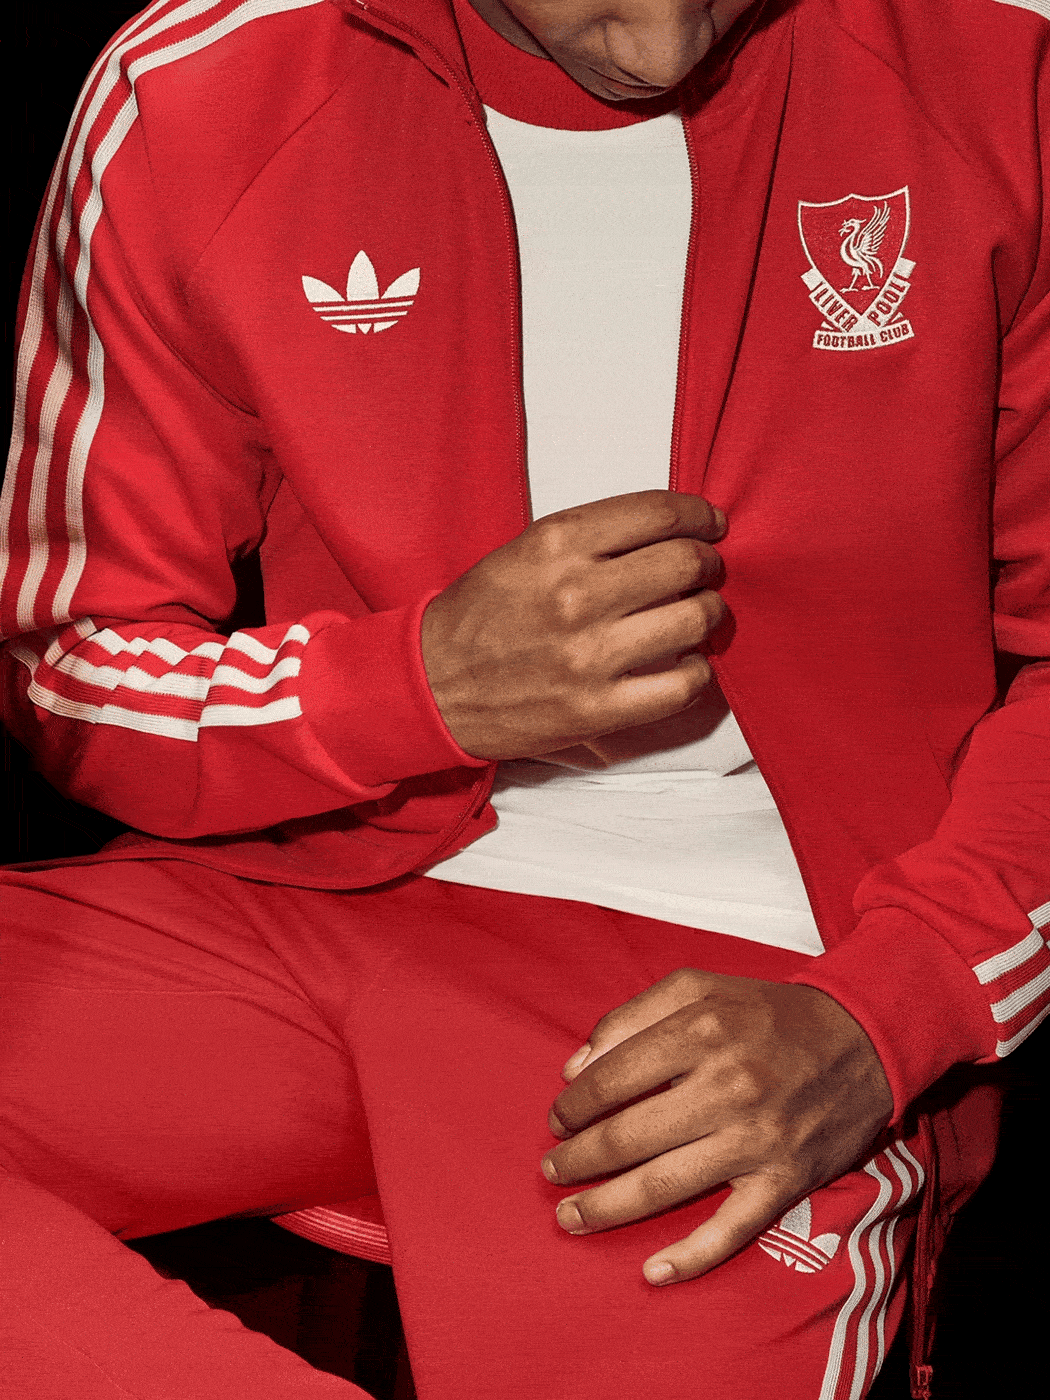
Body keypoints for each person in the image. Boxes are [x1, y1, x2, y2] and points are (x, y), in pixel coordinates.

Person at [1, 0, 1047, 1395]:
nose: (669, 25)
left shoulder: (1000, 60)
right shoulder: (204, 84)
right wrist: (415, 686)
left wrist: (881, 1016)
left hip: (762, 981)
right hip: (311, 896)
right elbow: (71, 660)